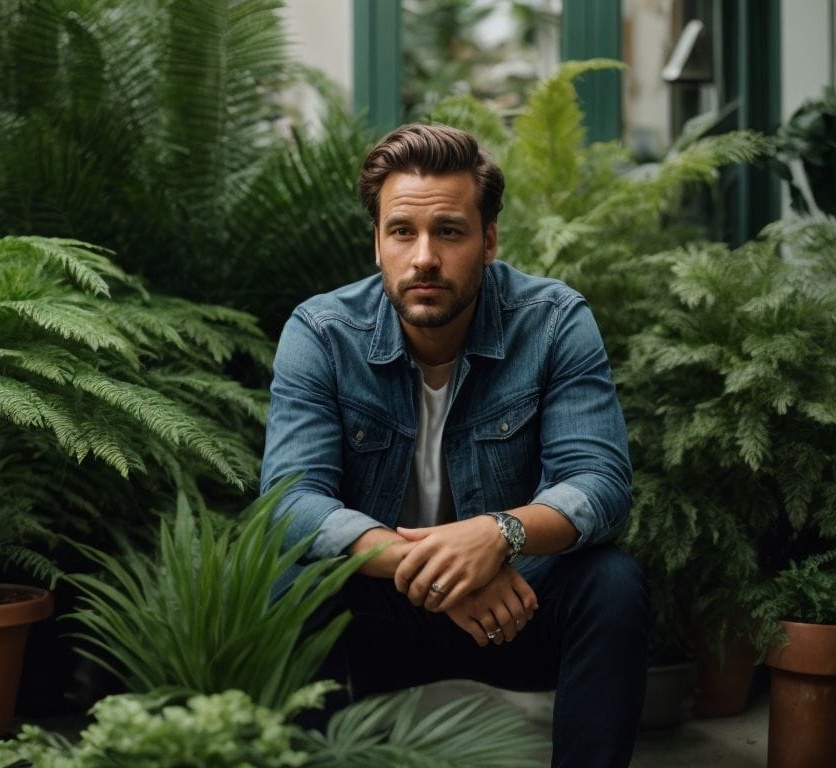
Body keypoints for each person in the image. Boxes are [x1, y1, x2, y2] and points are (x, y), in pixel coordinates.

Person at [260, 123, 648, 767]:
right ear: (377, 241)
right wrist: (445, 569)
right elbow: (289, 500)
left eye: (450, 231)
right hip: (380, 616)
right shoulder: (323, 332)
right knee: (287, 579)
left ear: (489, 239)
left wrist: (496, 537)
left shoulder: (553, 322)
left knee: (612, 583)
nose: (424, 259)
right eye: (402, 232)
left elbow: (600, 484)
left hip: (509, 612)